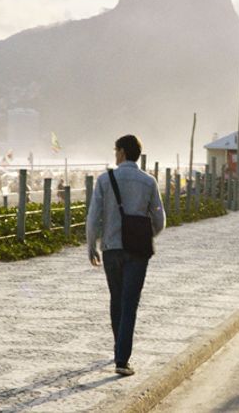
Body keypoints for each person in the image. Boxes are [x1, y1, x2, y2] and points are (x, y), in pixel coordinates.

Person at [86, 135, 165, 377]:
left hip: (111, 248)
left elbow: (93, 216)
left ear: (121, 152)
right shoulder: (148, 181)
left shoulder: (105, 179)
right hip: (138, 252)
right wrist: (144, 234)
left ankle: (118, 348)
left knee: (116, 299)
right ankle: (122, 358)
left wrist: (92, 245)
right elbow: (160, 219)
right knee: (130, 303)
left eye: (115, 150)